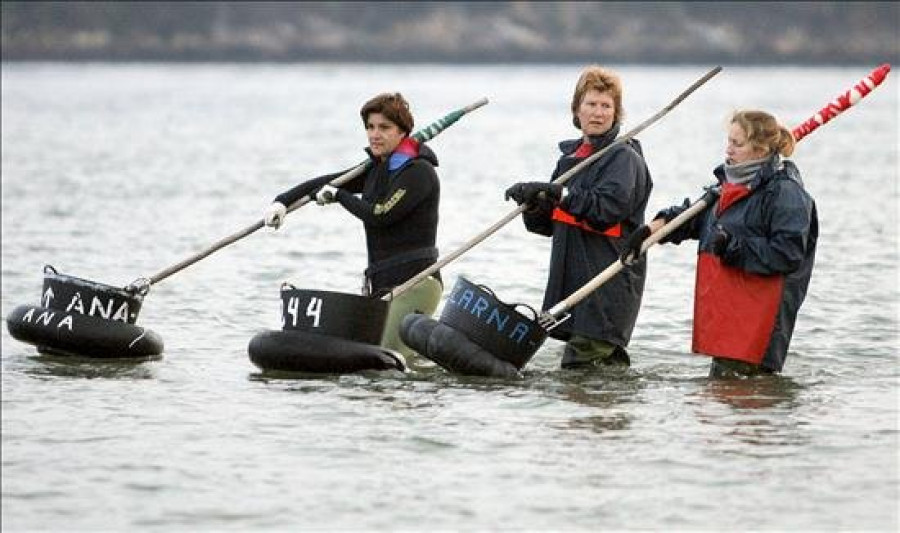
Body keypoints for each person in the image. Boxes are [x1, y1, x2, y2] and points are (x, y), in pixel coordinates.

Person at [621, 110, 818, 378]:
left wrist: (732, 247)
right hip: (727, 321)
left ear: (760, 149)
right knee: (719, 401)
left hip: (756, 326)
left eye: (737, 144)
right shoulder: (725, 188)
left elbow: (788, 254)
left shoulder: (786, 193)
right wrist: (648, 231)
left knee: (744, 401)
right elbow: (690, 218)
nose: (729, 149)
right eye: (729, 141)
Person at [263, 93, 442, 361]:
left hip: (416, 283)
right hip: (382, 285)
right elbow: (329, 181)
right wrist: (282, 202)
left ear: (403, 132)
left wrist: (340, 197)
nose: (374, 134)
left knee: (390, 361)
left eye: (384, 128)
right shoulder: (377, 170)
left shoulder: (418, 173)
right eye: (370, 127)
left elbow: (380, 215)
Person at [504, 65, 653, 369]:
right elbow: (550, 225)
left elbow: (605, 210)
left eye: (606, 106)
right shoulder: (569, 161)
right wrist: (534, 204)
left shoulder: (624, 158)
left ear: (617, 113)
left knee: (580, 369)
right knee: (596, 372)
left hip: (607, 286)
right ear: (576, 110)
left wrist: (560, 195)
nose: (598, 113)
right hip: (573, 287)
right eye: (591, 104)